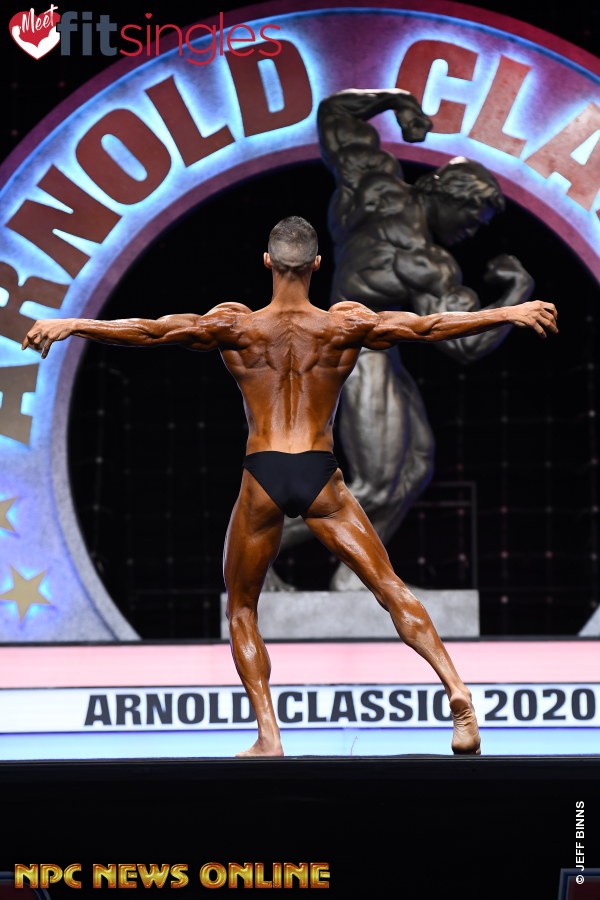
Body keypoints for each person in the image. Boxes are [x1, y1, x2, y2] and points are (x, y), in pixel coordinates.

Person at [22, 216, 558, 758]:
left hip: (264, 474)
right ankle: (456, 690)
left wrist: (74, 324)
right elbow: (426, 327)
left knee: (242, 608)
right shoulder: (344, 324)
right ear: (317, 265)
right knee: (390, 588)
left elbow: (153, 330)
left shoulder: (237, 325)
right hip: (319, 472)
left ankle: (269, 735)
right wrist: (508, 312)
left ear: (267, 262)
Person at [267, 89, 536, 592]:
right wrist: (516, 296)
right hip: (354, 354)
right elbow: (463, 346)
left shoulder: (375, 184)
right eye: (470, 220)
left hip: (368, 352)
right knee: (374, 484)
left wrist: (400, 102)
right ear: (449, 197)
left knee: (414, 468)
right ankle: (256, 548)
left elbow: (335, 113)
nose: (470, 232)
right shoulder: (427, 263)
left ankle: (353, 582)